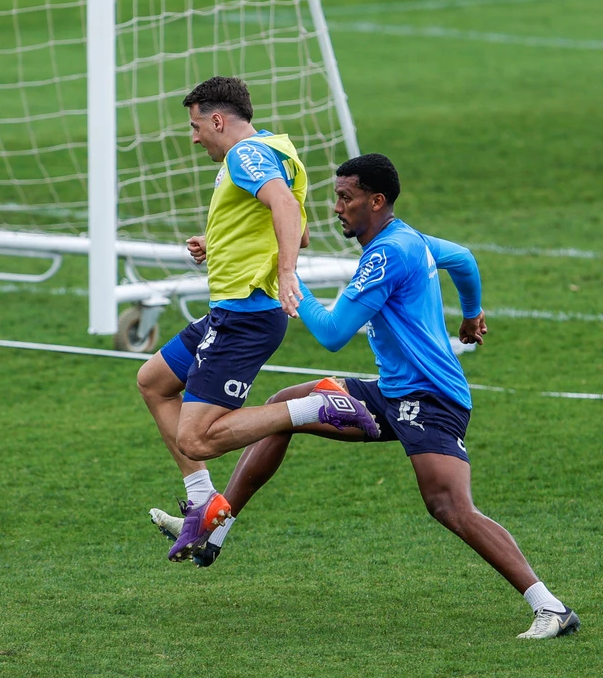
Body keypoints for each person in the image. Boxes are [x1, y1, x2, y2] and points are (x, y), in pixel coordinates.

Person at [152, 153, 578, 640]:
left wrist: (292, 285)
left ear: (376, 201)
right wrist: (471, 313)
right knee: (284, 406)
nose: (336, 207)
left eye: (345, 197)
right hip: (391, 392)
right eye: (336, 196)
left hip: (430, 398)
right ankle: (216, 528)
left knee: (448, 506)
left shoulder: (386, 255)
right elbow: (462, 258)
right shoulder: (408, 238)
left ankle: (551, 607)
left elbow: (333, 332)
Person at [137, 77, 376, 564]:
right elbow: (299, 231)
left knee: (195, 435)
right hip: (233, 310)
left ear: (218, 120)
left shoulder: (244, 156)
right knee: (154, 381)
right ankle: (203, 500)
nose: (195, 136)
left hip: (245, 316)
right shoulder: (280, 150)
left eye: (196, 125)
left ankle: (318, 407)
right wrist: (220, 245)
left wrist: (286, 272)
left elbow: (285, 209)